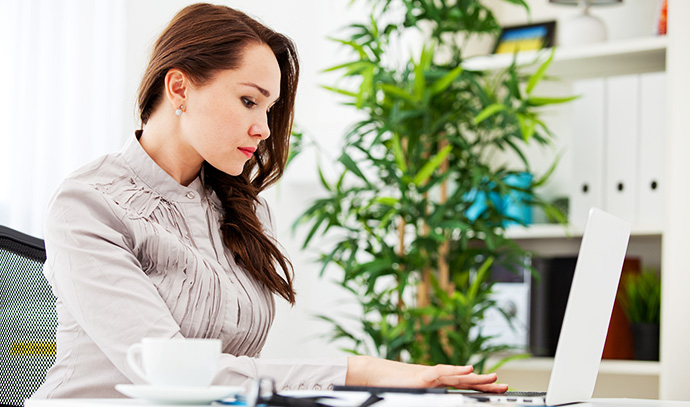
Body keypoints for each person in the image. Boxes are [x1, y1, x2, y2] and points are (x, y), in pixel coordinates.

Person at [32, 3, 509, 399]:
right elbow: (171, 375)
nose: (263, 128)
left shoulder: (243, 211)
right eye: (248, 101)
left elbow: (238, 374)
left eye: (269, 109)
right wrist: (362, 372)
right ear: (179, 88)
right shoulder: (89, 205)